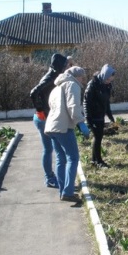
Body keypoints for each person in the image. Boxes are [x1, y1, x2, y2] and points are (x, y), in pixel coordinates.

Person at [44, 66, 90, 202]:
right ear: (75, 76)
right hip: (63, 128)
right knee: (73, 158)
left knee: (61, 159)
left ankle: (63, 190)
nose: (82, 79)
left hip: (51, 127)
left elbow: (52, 106)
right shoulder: (72, 85)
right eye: (81, 76)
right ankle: (68, 193)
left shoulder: (56, 87)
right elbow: (73, 106)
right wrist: (80, 122)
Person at [30, 53, 68, 188]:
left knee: (51, 148)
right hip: (43, 118)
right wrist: (40, 110)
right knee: (49, 149)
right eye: (64, 65)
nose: (65, 67)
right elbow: (34, 92)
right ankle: (50, 178)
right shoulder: (50, 77)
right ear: (59, 65)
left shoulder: (54, 75)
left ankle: (54, 177)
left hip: (46, 117)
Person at [83, 64, 116, 168]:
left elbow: (106, 102)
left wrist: (110, 115)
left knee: (98, 138)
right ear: (104, 75)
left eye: (110, 80)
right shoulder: (93, 84)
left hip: (100, 114)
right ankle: (98, 161)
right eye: (107, 80)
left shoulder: (107, 85)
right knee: (98, 137)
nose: (109, 82)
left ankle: (94, 160)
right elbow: (86, 102)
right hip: (93, 115)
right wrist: (88, 119)